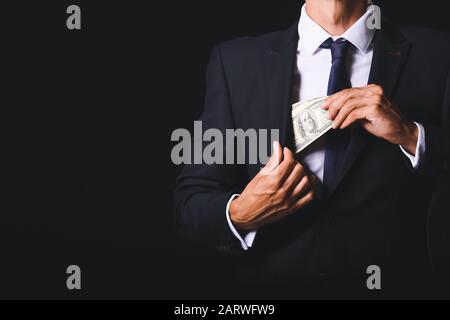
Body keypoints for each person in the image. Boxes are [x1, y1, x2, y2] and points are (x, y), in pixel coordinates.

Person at [174, 0, 450, 298]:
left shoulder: (437, 53)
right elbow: (191, 203)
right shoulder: (236, 63)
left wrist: (411, 135)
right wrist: (242, 213)